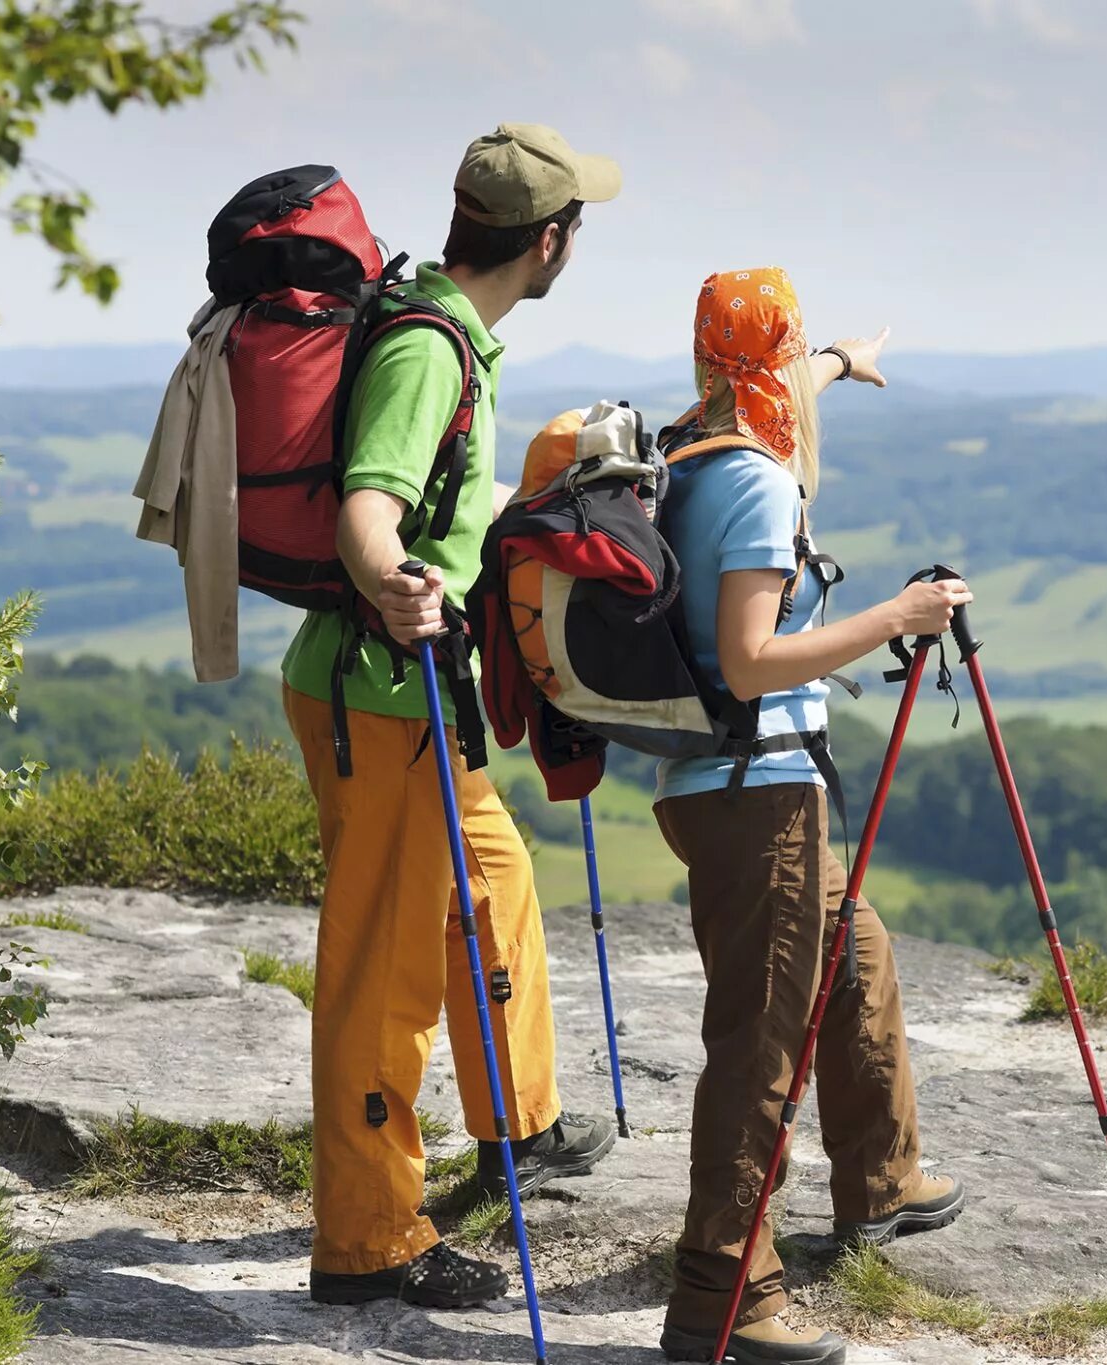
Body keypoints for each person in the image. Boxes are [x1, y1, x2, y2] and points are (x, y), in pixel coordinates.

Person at [278, 123, 622, 1309]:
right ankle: (368, 1240)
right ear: (550, 242)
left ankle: (517, 1125)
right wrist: (395, 581)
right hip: (381, 696)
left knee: (493, 883)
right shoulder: (428, 350)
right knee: (384, 967)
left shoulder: (445, 323)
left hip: (414, 694)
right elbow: (369, 505)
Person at [652, 268, 973, 1365]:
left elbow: (781, 387)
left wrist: (840, 358)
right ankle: (722, 1300)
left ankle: (879, 1184)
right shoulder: (753, 485)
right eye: (794, 357)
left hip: (718, 786)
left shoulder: (692, 441)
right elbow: (748, 660)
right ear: (767, 362)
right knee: (757, 1048)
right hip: (756, 793)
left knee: (856, 947)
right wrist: (899, 612)